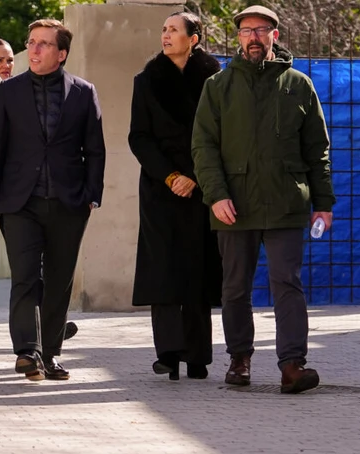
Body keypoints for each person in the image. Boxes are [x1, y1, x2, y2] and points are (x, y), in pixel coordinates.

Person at [192, 5, 334, 394]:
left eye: (261, 30)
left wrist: (323, 202)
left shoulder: (298, 85)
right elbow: (203, 147)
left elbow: (317, 149)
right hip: (233, 205)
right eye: (246, 31)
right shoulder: (218, 86)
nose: (253, 37)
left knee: (286, 282)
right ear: (237, 38)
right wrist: (216, 195)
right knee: (235, 286)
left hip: (286, 201)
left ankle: (292, 365)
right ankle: (239, 359)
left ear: (275, 34)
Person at [0, 18, 105, 381]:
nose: (33, 50)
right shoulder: (9, 91)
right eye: (31, 42)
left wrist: (91, 197)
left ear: (61, 53)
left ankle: (50, 353)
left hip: (69, 202)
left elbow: (94, 150)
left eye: (43, 44)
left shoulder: (83, 91)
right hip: (20, 202)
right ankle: (27, 352)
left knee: (59, 279)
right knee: (25, 278)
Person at [128, 12, 222, 381]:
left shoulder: (216, 80)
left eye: (173, 30)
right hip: (160, 186)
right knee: (163, 270)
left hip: (202, 186)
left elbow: (222, 135)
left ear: (193, 38)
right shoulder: (147, 80)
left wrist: (196, 177)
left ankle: (198, 356)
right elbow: (139, 137)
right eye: (163, 30)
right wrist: (170, 176)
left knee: (198, 270)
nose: (165, 35)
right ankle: (167, 353)